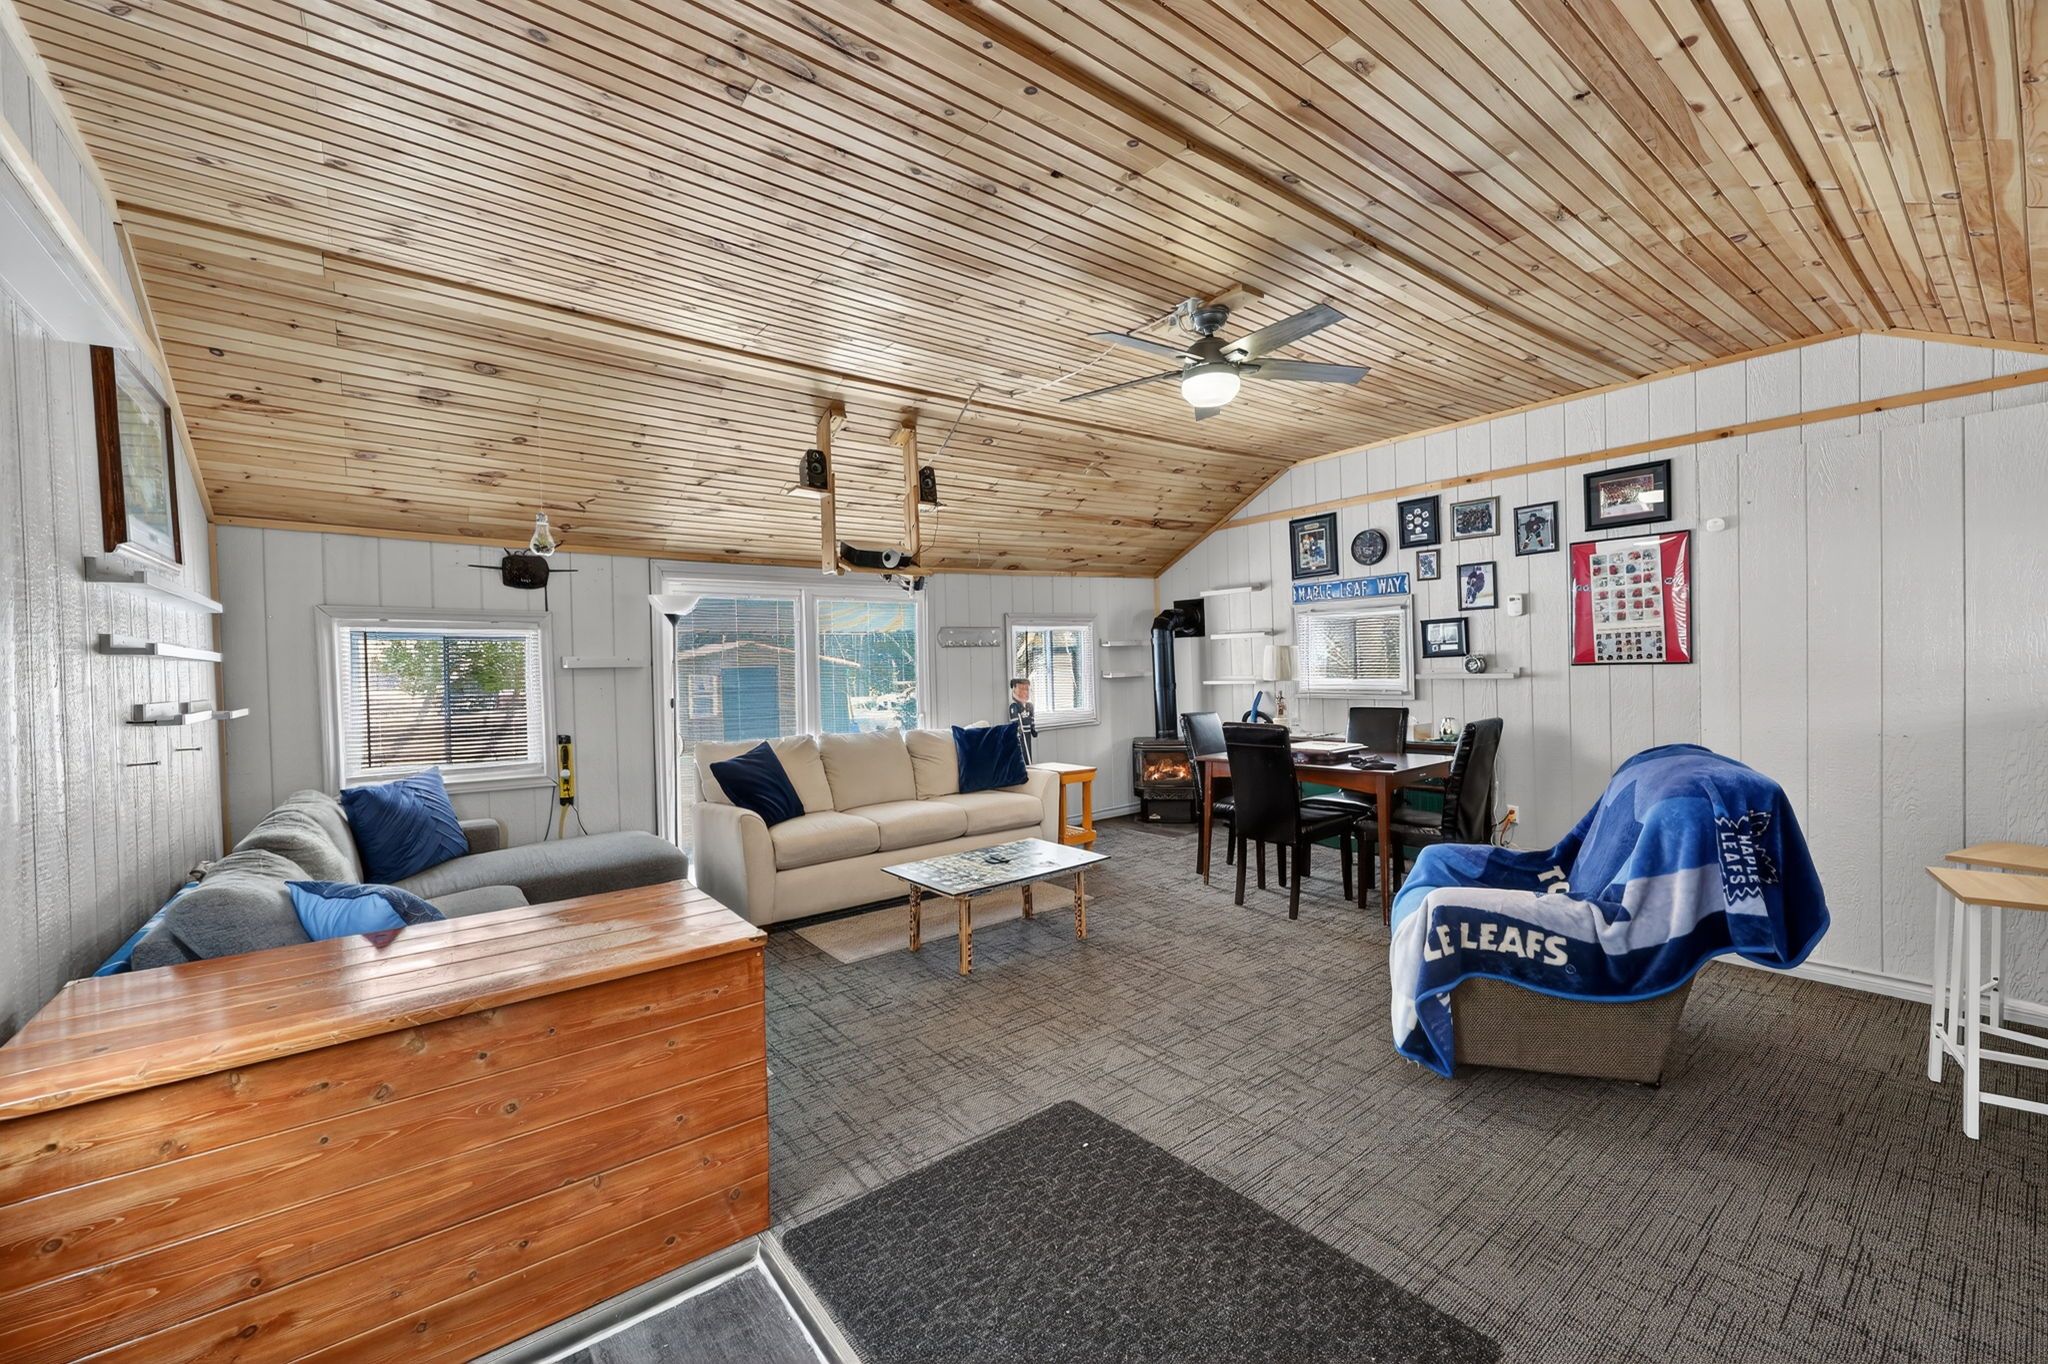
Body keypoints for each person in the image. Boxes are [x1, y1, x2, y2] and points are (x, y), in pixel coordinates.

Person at [1008, 676, 1038, 763]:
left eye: (1026, 689)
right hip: (1021, 734)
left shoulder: (1030, 706)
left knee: (1028, 752)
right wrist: (1018, 730)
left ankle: (1029, 765)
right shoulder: (1014, 706)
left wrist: (1033, 729)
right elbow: (1015, 721)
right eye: (1021, 689)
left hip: (1028, 732)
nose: (1025, 692)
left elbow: (1031, 719)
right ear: (1014, 690)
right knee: (1023, 753)